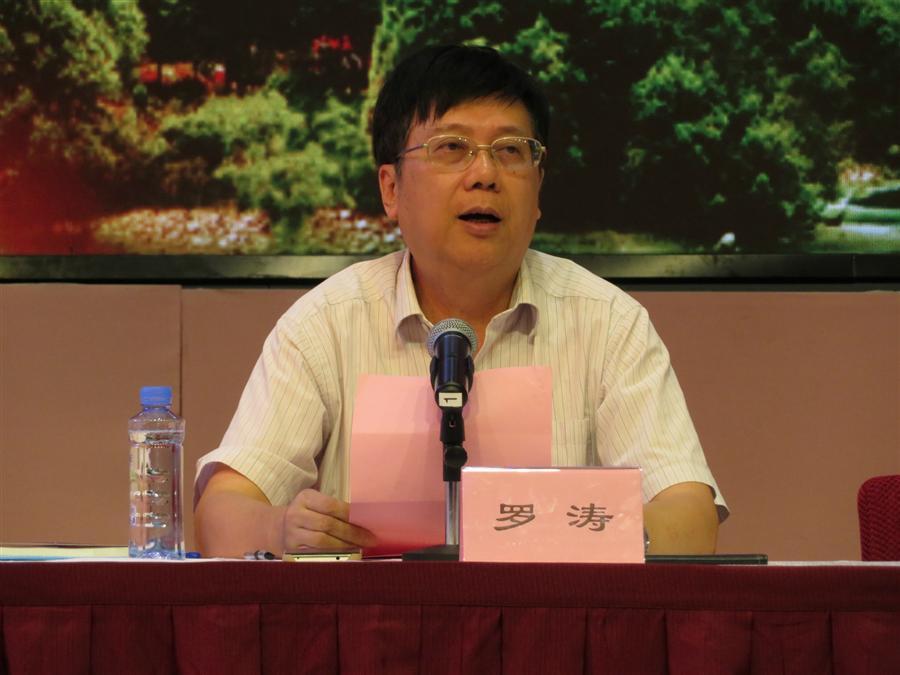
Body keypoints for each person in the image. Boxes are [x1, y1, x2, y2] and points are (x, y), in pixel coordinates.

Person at [194, 45, 728, 558]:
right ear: (391, 189)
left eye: (511, 150)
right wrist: (281, 529)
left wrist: (588, 529)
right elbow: (222, 513)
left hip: (547, 616)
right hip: (379, 619)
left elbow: (690, 517)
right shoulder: (325, 324)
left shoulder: (608, 323)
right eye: (451, 148)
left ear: (538, 188)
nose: (485, 174)